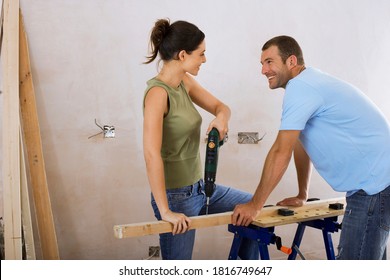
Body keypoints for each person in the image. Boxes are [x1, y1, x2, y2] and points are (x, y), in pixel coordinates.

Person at [232, 35, 390, 260]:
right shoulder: (309, 84)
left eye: (269, 62)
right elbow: (299, 142)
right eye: (261, 64)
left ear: (291, 61)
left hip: (373, 189)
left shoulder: (301, 88)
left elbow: (280, 151)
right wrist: (302, 194)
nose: (263, 70)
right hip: (377, 185)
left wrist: (254, 205)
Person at [142, 19, 259, 260]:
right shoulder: (157, 94)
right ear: (183, 55)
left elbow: (221, 106)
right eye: (201, 54)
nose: (204, 59)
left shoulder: (184, 82)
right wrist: (165, 211)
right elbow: (151, 154)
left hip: (202, 187)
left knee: (254, 208)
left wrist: (221, 119)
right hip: (175, 197)